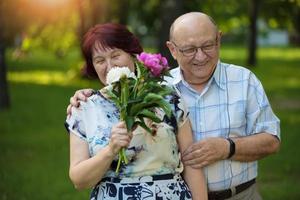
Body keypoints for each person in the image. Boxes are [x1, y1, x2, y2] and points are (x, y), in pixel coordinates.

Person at [68, 12, 281, 200]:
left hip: (238, 194)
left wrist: (227, 147)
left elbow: (271, 140)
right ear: (173, 49)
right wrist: (108, 143)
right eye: (189, 49)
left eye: (207, 45)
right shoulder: (158, 87)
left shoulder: (240, 81)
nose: (200, 55)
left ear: (219, 40)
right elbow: (78, 177)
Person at [64, 23, 207, 200]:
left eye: (115, 55)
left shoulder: (168, 97)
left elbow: (192, 162)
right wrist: (111, 150)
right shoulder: (85, 108)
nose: (109, 66)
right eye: (100, 60)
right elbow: (79, 180)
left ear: (133, 55)